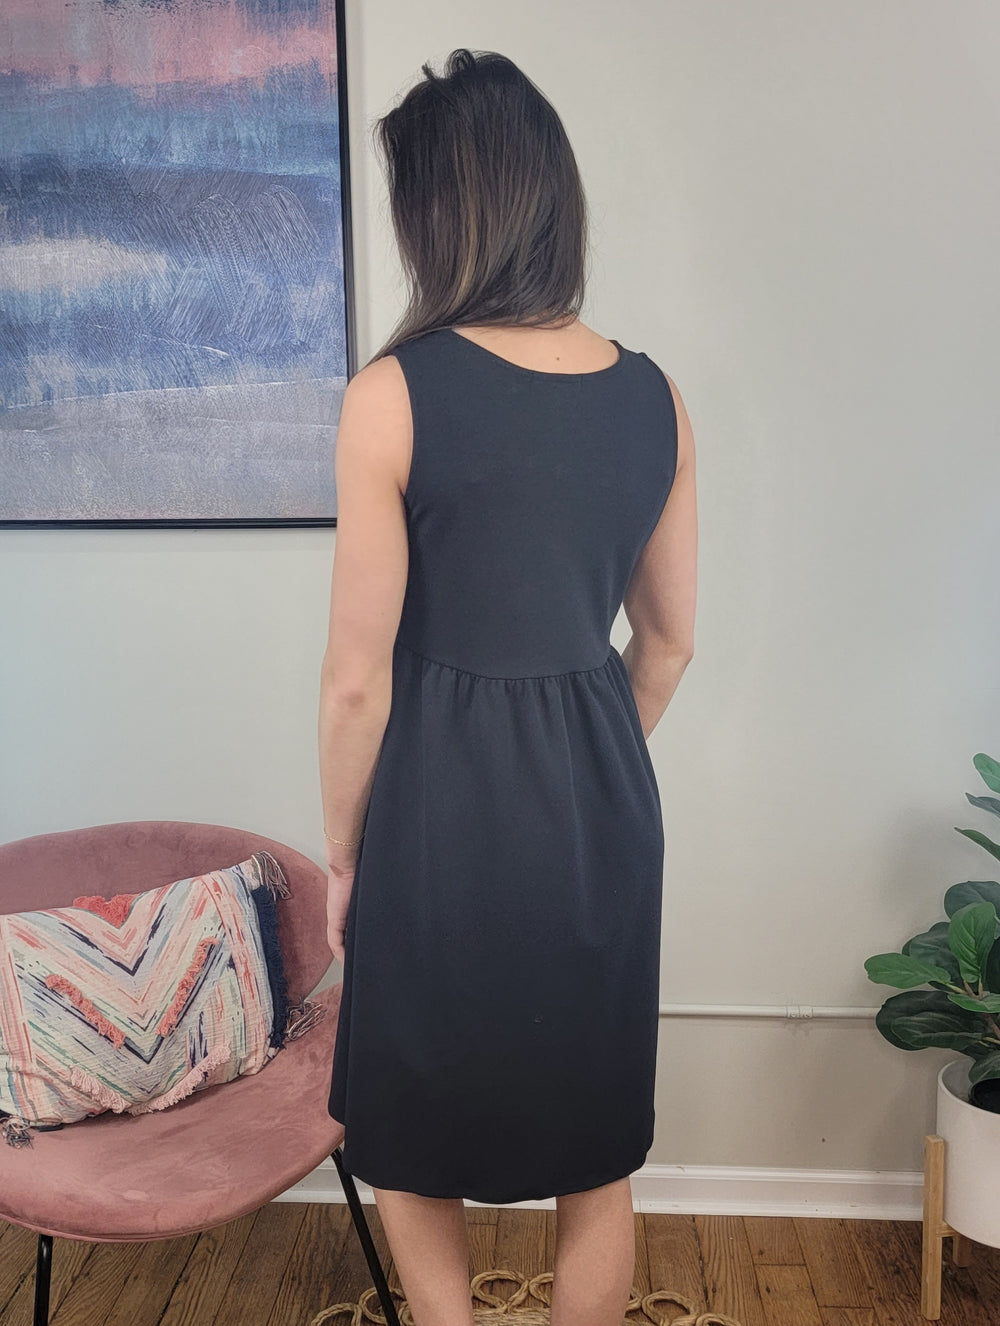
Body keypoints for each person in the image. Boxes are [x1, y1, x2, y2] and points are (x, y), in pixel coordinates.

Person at [318, 47, 697, 1326]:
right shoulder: (656, 397)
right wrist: (587, 759)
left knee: (415, 1134)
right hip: (599, 807)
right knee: (592, 1149)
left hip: (436, 809)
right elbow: (667, 643)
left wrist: (340, 853)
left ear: (443, 213)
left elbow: (358, 685)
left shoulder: (391, 395)